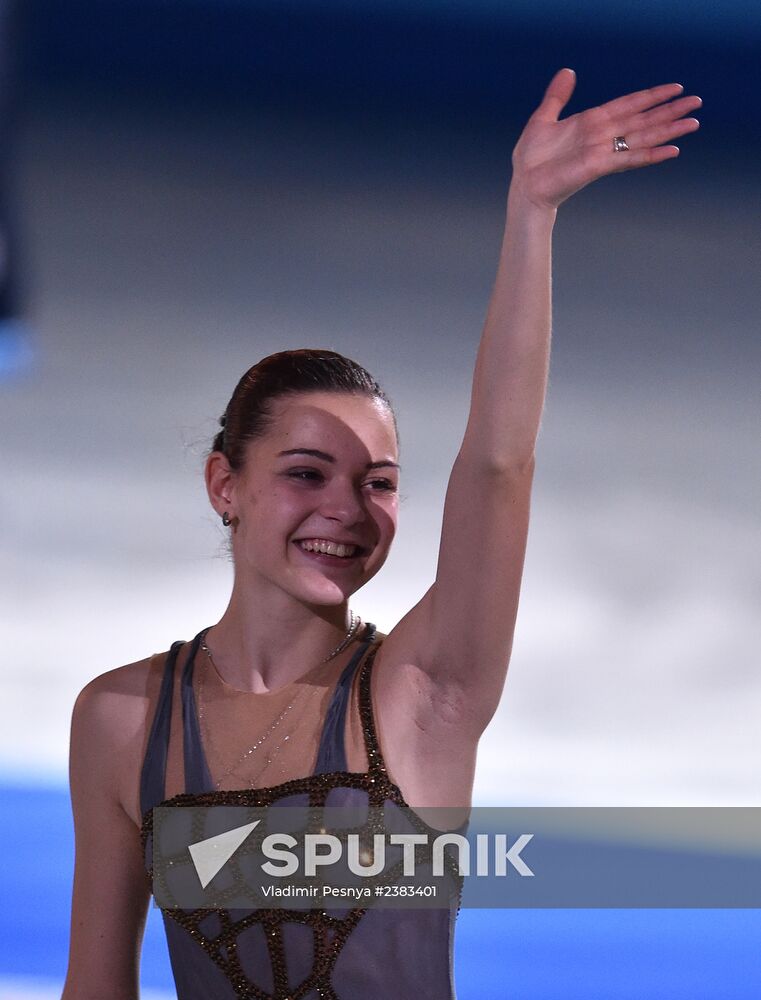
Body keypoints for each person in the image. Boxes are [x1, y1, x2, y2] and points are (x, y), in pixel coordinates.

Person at [62, 69, 700, 998]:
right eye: (306, 474)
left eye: (380, 484)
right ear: (223, 485)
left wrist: (531, 216)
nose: (347, 511)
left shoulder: (421, 694)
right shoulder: (122, 721)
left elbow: (497, 468)